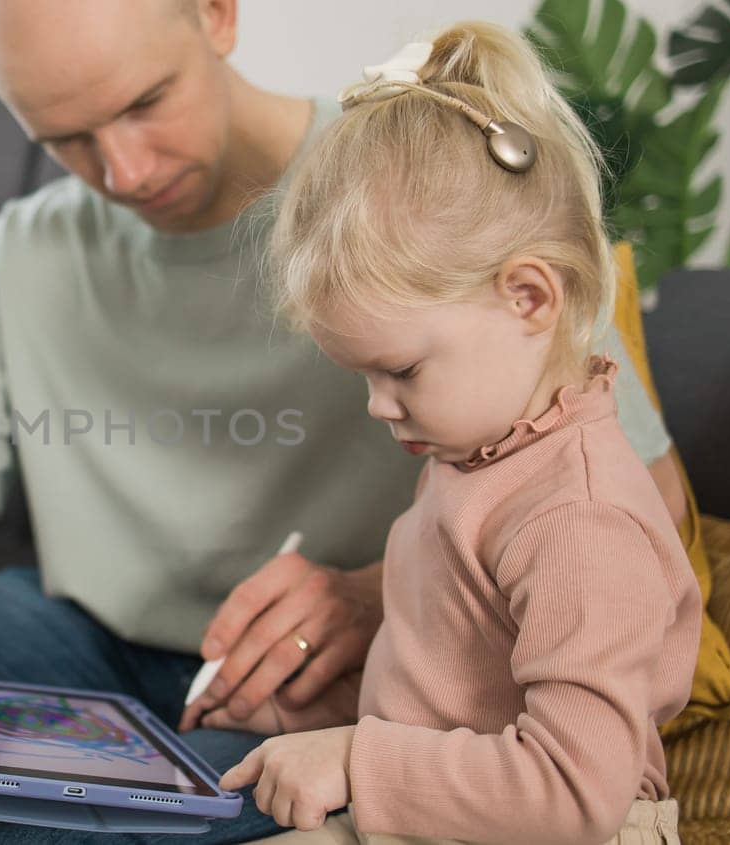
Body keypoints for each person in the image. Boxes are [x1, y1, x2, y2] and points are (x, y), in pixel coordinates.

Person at [0, 2, 688, 842]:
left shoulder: (423, 191)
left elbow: (646, 507)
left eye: (143, 104)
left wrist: (371, 596)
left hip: (325, 688)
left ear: (215, 13)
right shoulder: (21, 259)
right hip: (93, 646)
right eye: (63, 139)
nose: (121, 170)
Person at [212, 22, 699, 844]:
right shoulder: (484, 449)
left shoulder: (579, 517)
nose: (378, 405)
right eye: (363, 376)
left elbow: (576, 793)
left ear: (530, 300)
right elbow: (462, 686)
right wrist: (317, 708)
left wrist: (356, 757)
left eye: (400, 370)